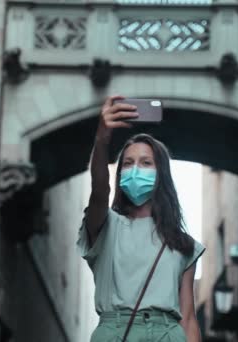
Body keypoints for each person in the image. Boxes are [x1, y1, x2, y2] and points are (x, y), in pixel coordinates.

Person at [76, 95, 206, 342]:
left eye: (146, 163)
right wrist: (102, 138)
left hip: (168, 334)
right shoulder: (105, 227)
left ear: (161, 174)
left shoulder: (184, 244)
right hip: (115, 332)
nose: (136, 169)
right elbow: (99, 191)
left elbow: (188, 318)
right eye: (127, 163)